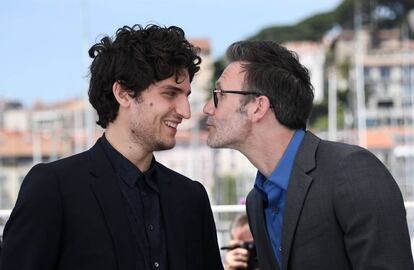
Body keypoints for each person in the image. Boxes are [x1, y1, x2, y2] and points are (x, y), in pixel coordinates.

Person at [0, 24, 223, 270]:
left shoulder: (191, 198)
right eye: (170, 93)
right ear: (123, 93)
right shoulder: (52, 188)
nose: (185, 112)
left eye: (186, 96)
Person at [203, 40, 414, 270]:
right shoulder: (256, 201)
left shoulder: (351, 170)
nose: (207, 108)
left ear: (257, 106)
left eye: (219, 94)